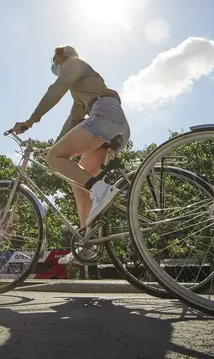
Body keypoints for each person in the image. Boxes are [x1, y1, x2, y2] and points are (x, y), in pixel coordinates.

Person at [12, 45, 130, 264]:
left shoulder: (73, 63)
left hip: (103, 114)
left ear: (60, 57)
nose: (55, 66)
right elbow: (73, 121)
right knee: (79, 180)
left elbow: (57, 89)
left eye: (54, 62)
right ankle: (87, 242)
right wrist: (56, 145)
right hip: (115, 123)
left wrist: (31, 120)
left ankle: (102, 191)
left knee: (54, 160)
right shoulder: (81, 94)